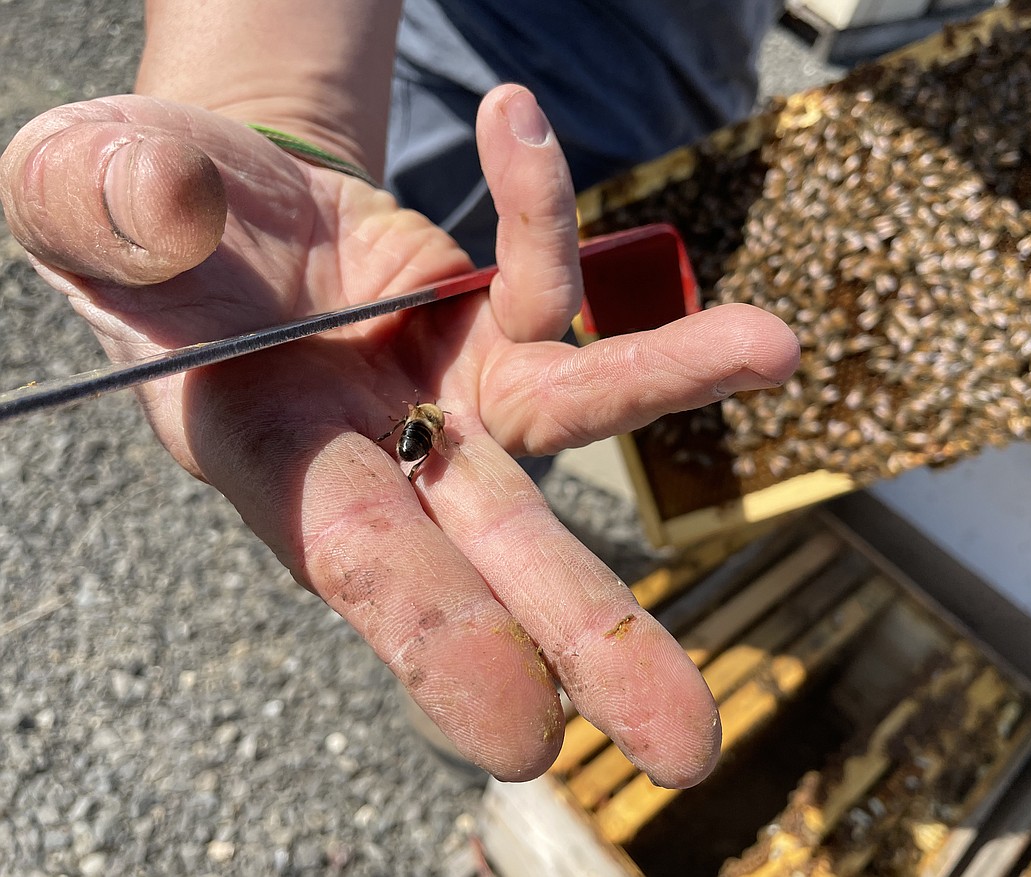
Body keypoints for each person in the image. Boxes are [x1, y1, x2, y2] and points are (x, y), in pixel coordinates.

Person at [0, 1, 798, 789]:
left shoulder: (429, 422)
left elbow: (433, 424)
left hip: (684, 118)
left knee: (510, 411)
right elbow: (420, 419)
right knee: (458, 404)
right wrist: (268, 120)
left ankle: (499, 646)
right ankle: (470, 682)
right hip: (427, 103)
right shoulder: (415, 400)